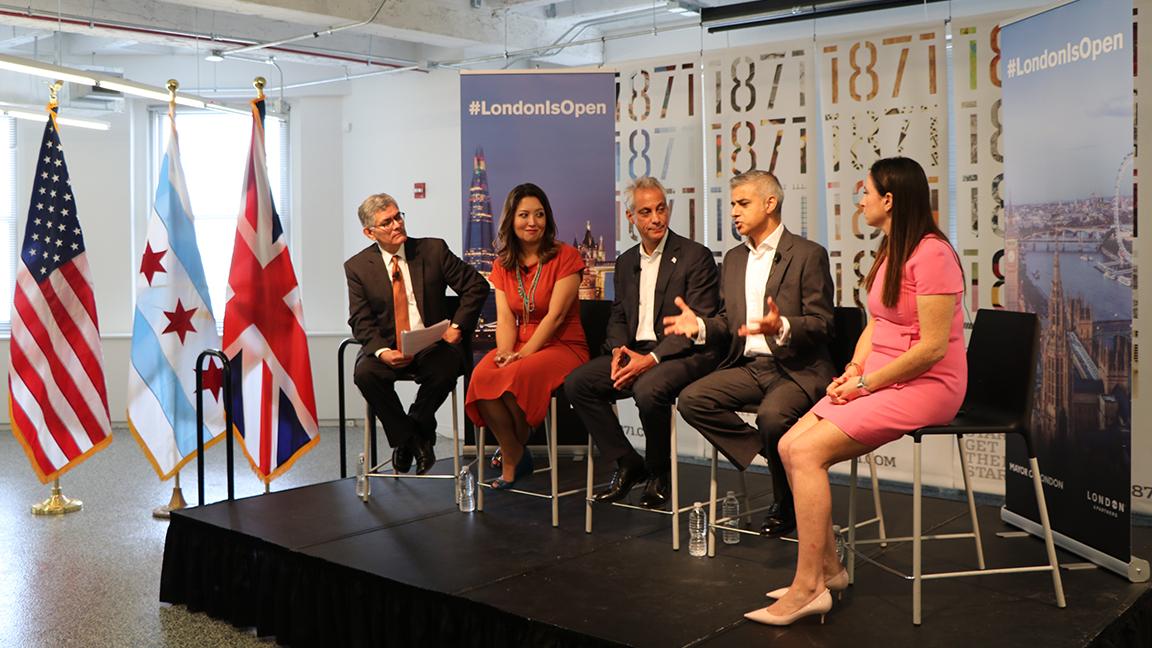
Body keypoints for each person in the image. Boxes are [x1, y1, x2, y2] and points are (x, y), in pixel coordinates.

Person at [744, 156, 967, 626]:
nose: (859, 199)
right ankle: (829, 569)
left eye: (865, 191)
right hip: (883, 374)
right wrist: (855, 368)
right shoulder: (893, 246)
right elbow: (878, 324)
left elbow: (929, 350)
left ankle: (809, 587)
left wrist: (866, 384)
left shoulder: (932, 254)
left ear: (889, 199)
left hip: (928, 385)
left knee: (807, 455)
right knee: (788, 444)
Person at [664, 169, 835, 538]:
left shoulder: (808, 255)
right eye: (733, 205)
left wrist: (784, 325)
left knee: (772, 418)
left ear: (770, 203)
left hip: (796, 368)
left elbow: (823, 323)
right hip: (749, 366)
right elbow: (728, 321)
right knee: (692, 399)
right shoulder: (734, 259)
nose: (735, 213)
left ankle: (784, 501)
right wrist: (702, 327)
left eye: (743, 203)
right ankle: (776, 458)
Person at [564, 177, 721, 508]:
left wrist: (650, 360)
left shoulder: (695, 256)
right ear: (630, 217)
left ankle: (658, 472)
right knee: (578, 383)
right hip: (635, 351)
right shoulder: (625, 262)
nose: (656, 219)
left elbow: (695, 322)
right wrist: (619, 351)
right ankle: (626, 462)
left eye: (661, 209)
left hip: (682, 353)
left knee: (648, 389)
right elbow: (619, 316)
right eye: (646, 212)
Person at [345, 193, 489, 475]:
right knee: (365, 374)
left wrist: (457, 327)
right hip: (389, 347)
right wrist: (383, 352)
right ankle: (412, 439)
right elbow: (360, 320)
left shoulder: (433, 250)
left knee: (447, 367)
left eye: (398, 216)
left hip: (432, 345)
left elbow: (476, 286)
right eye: (387, 222)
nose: (397, 225)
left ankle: (412, 430)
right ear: (369, 232)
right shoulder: (358, 267)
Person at [465, 183, 589, 489]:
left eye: (539, 214)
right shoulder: (502, 264)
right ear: (511, 219)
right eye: (524, 215)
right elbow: (505, 318)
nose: (532, 222)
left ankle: (511, 458)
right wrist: (505, 352)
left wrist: (522, 355)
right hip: (520, 342)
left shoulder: (566, 256)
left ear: (547, 218)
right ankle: (516, 450)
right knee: (483, 376)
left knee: (515, 375)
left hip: (563, 344)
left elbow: (556, 316)